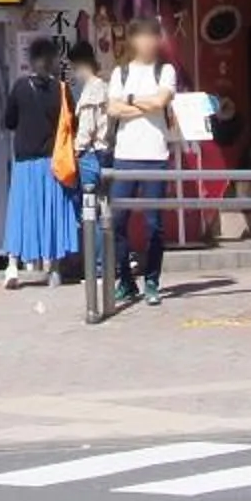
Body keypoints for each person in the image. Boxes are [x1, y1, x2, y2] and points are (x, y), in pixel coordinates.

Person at [105, 17, 183, 308]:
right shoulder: (120, 72)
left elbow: (160, 102)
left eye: (153, 36)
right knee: (117, 221)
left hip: (155, 156)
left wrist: (130, 101)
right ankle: (126, 280)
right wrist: (140, 103)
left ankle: (152, 280)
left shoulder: (166, 70)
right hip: (124, 156)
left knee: (153, 224)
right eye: (142, 36)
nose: (148, 42)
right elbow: (112, 109)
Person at [2, 39, 78, 289]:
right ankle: (54, 270)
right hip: (52, 163)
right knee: (52, 214)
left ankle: (13, 266)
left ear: (32, 60)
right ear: (53, 60)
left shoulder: (20, 87)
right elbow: (71, 124)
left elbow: (8, 121)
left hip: (25, 163)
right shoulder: (62, 90)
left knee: (21, 213)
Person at [68, 40, 112, 269]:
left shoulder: (92, 89)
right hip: (105, 154)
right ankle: (112, 262)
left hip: (91, 155)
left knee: (90, 213)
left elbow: (86, 129)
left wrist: (75, 151)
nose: (74, 73)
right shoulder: (105, 86)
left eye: (74, 68)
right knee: (104, 210)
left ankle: (97, 266)